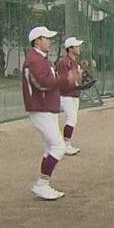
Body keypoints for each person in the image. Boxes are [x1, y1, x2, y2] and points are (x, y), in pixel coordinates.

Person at [22, 26, 81, 201]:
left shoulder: (41, 59)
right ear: (37, 40)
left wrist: (71, 81)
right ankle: (41, 184)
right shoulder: (34, 60)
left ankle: (43, 184)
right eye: (46, 38)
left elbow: (52, 83)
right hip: (41, 109)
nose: (50, 41)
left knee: (51, 147)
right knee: (58, 146)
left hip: (46, 107)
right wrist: (67, 78)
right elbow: (43, 83)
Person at [55, 37, 85, 156]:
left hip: (74, 94)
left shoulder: (74, 61)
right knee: (71, 118)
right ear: (70, 48)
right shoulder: (64, 62)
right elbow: (64, 81)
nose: (79, 48)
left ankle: (65, 144)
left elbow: (76, 79)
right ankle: (66, 145)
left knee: (73, 119)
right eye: (76, 46)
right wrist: (75, 79)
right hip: (66, 95)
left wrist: (81, 75)